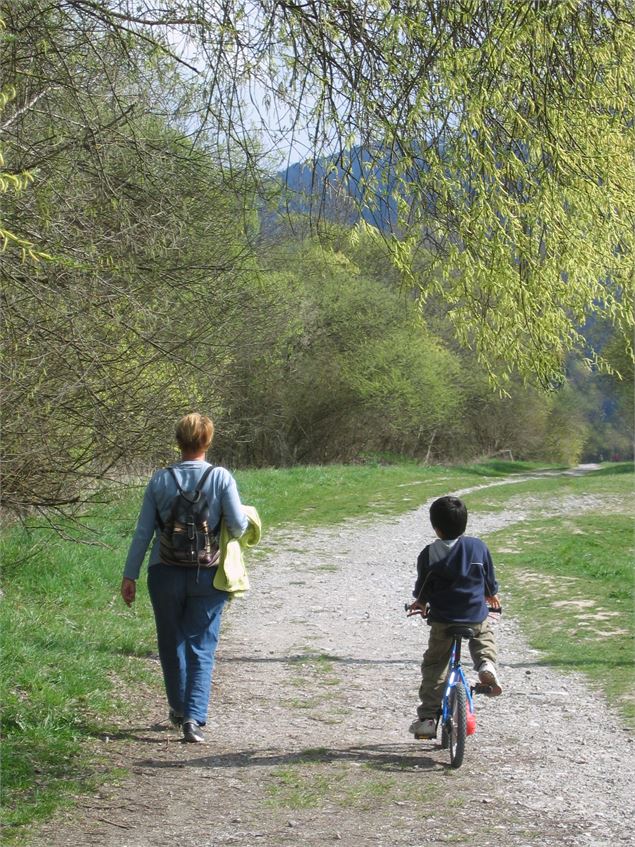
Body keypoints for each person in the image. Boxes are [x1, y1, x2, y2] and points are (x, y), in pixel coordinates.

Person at [121, 413, 248, 743]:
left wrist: (129, 575)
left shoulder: (159, 480)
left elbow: (143, 533)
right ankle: (193, 718)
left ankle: (177, 710)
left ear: (178, 441)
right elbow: (237, 525)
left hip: (163, 571)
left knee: (170, 641)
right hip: (207, 574)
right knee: (201, 645)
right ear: (208, 441)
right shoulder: (221, 478)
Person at [407, 495, 502, 739]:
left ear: (436, 528)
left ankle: (428, 718)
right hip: (473, 614)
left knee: (435, 665)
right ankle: (486, 664)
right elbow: (487, 579)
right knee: (483, 635)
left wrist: (420, 602)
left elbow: (424, 586)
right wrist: (491, 596)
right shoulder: (478, 547)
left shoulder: (428, 554)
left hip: (443, 619)